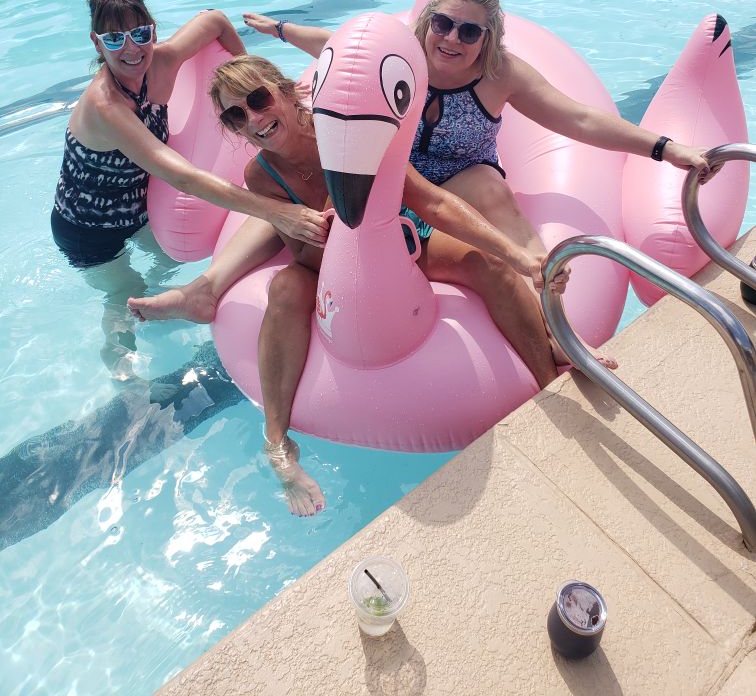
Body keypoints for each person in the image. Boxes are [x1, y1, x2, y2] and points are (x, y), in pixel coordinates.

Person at [130, 54, 572, 516]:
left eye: (259, 100)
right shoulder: (262, 175)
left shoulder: (345, 133)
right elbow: (302, 257)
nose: (254, 119)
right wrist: (323, 233)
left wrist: (518, 254)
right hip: (331, 265)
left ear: (284, 90)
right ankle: (277, 443)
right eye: (236, 116)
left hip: (401, 235)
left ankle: (549, 384)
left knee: (489, 267)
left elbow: (431, 202)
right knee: (284, 289)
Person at [239, 0, 718, 367]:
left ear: (487, 38)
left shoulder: (498, 75)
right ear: (427, 21)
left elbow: (578, 118)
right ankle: (210, 286)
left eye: (469, 31)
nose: (452, 39)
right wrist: (279, 29)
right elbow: (331, 45)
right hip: (397, 181)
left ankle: (555, 324)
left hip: (464, 178)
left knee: (492, 191)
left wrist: (664, 148)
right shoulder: (401, 56)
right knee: (300, 207)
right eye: (443, 24)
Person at [52, 0, 329, 382]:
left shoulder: (162, 61)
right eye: (114, 39)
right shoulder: (104, 105)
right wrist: (278, 212)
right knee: (121, 295)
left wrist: (260, 91)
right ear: (97, 41)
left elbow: (215, 19)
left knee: (167, 263)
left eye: (141, 34)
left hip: (139, 210)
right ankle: (123, 368)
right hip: (87, 226)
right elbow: (182, 176)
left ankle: (186, 300)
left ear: (152, 31)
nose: (132, 50)